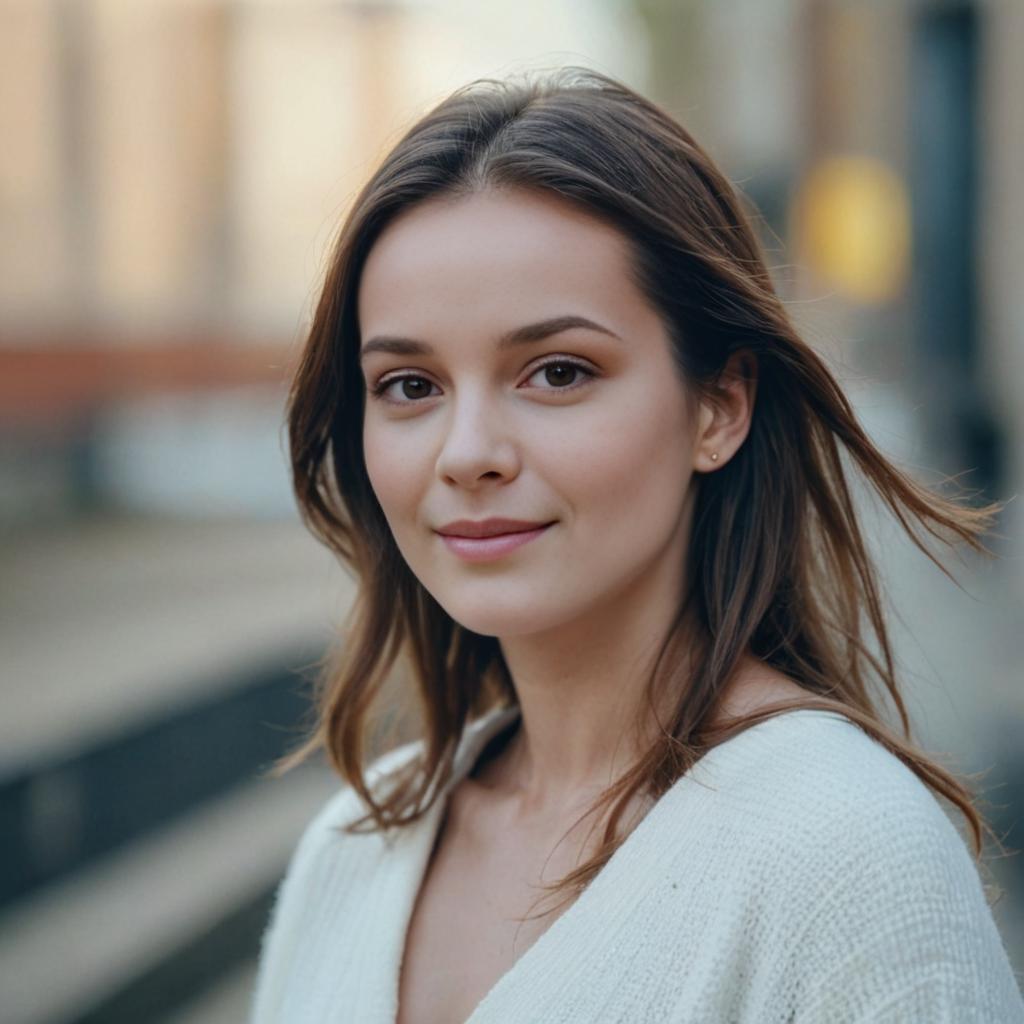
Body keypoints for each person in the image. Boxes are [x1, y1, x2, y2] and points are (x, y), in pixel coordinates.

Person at [247, 67, 1024, 1023]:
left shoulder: (849, 858)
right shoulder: (355, 846)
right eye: (410, 385)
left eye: (558, 372)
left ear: (719, 406)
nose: (468, 454)